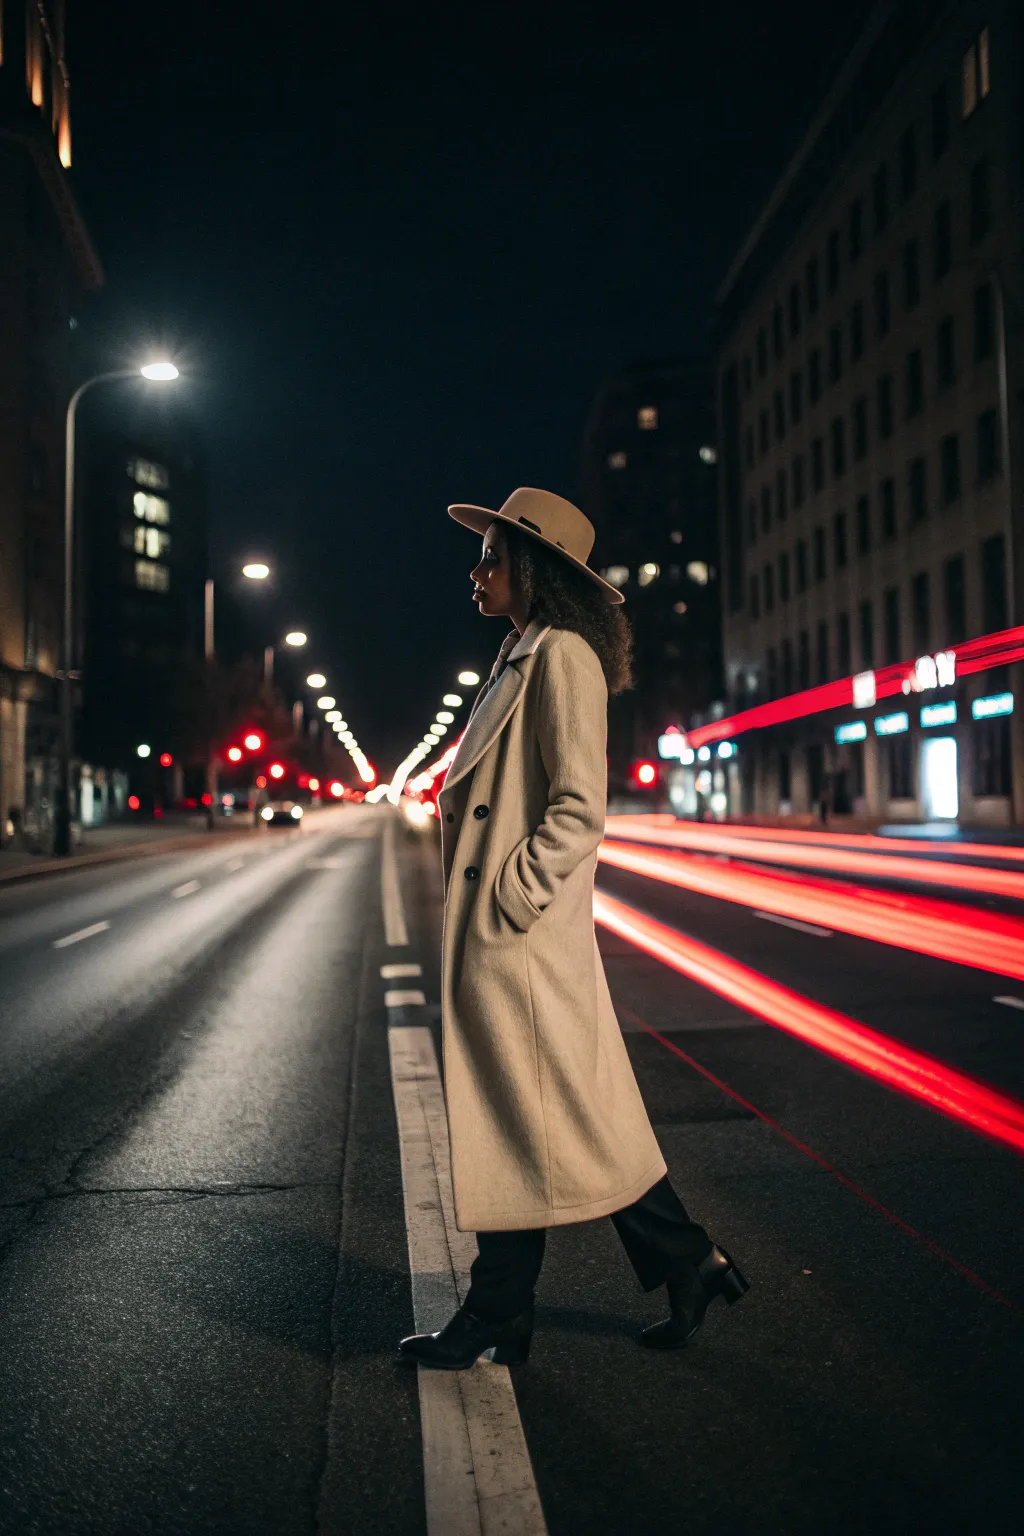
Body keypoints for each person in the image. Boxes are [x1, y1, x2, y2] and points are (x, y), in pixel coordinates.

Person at [399, 488, 747, 1370]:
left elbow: (578, 810)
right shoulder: (522, 655)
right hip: (503, 942)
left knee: (542, 1116)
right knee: (540, 1120)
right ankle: (665, 1269)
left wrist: (510, 899)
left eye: (493, 558)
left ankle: (509, 1311)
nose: (476, 573)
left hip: (520, 943)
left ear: (537, 568)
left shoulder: (562, 659)